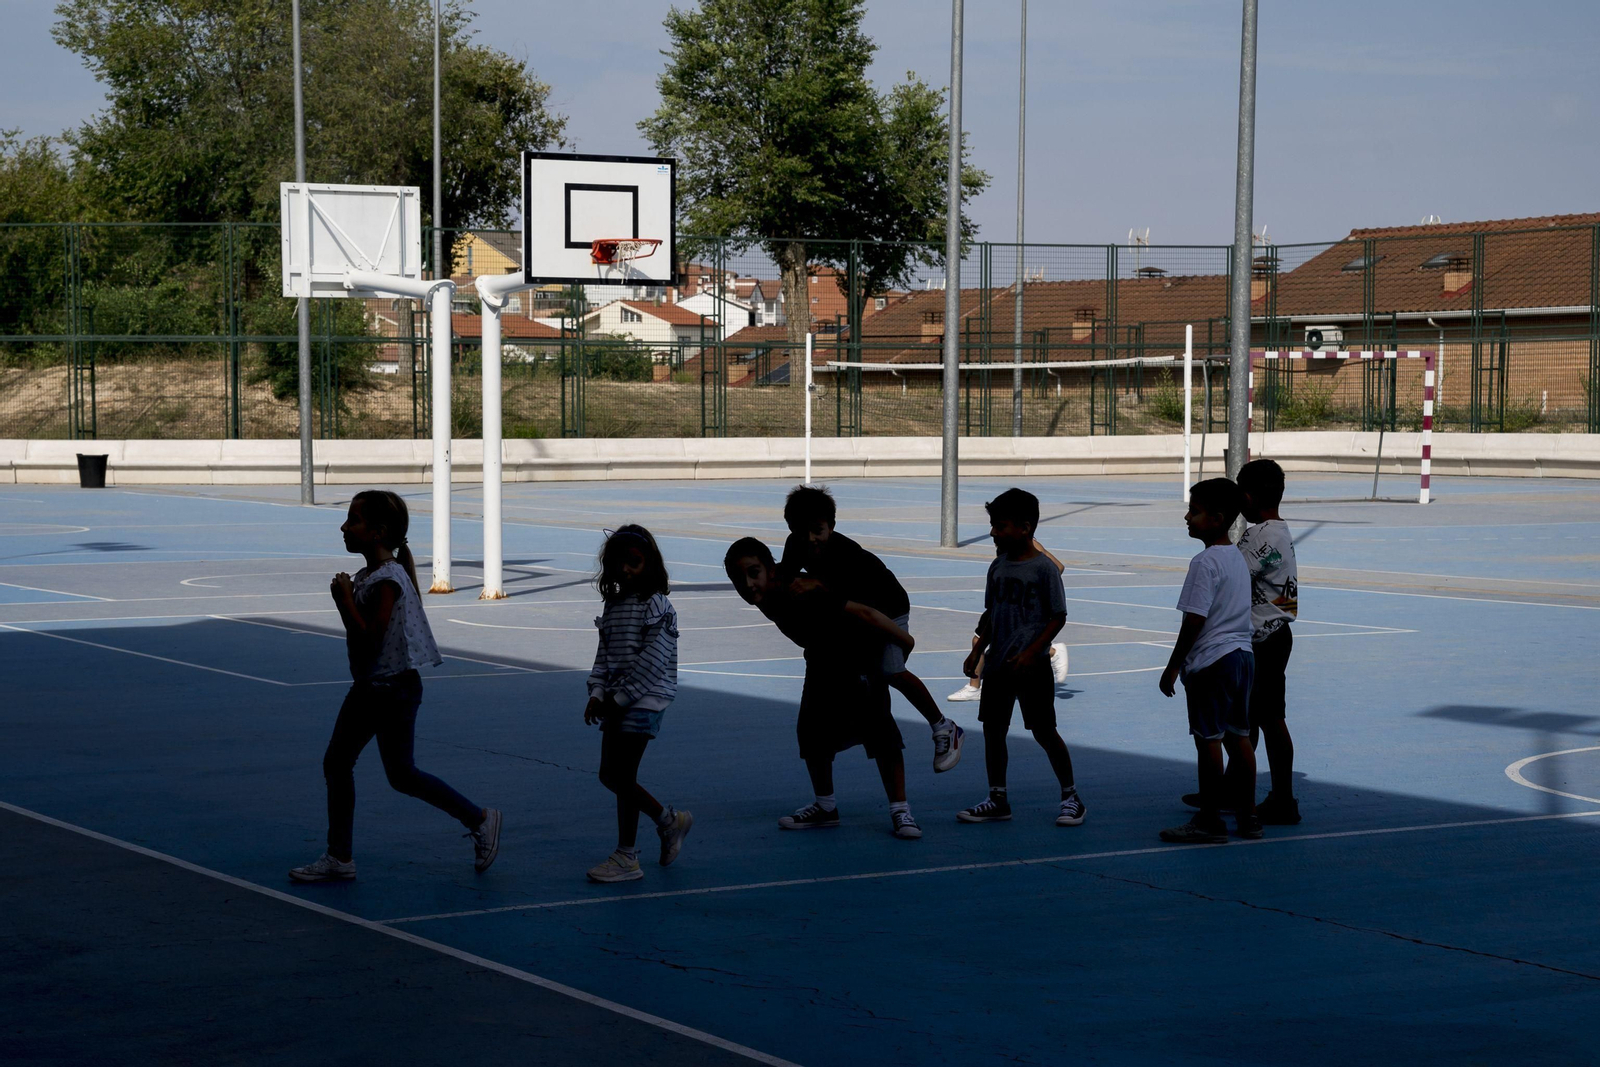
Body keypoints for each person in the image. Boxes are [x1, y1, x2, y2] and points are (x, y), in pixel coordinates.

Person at [290, 490, 501, 882]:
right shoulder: (381, 574)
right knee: (398, 774)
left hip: (384, 689)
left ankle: (341, 856)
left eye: (353, 520)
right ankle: (479, 818)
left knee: (340, 764)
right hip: (387, 686)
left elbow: (371, 639)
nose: (344, 526)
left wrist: (343, 602)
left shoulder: (386, 580)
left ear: (378, 532)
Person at [725, 537, 924, 840]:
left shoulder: (801, 589)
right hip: (821, 659)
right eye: (739, 579)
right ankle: (826, 807)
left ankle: (901, 809)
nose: (748, 583)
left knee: (880, 731)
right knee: (810, 731)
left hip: (856, 654)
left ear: (772, 569)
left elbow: (863, 612)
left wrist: (904, 640)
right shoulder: (764, 597)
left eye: (754, 572)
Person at [779, 486, 964, 772]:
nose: (811, 539)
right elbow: (786, 578)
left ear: (832, 526)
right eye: (803, 532)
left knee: (891, 670)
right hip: (858, 611)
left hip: (887, 607)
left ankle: (944, 727)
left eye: (818, 530)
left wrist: (902, 638)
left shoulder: (845, 554)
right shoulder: (795, 545)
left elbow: (862, 606)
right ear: (791, 529)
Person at [955, 489, 1086, 828]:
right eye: (993, 526)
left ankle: (1071, 796)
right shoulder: (997, 567)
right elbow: (992, 614)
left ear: (1025, 527)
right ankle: (998, 798)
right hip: (998, 664)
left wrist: (1031, 652)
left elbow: (1058, 616)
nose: (994, 533)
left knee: (1044, 731)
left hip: (1032, 666)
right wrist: (976, 650)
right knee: (993, 731)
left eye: (1000, 526)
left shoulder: (1044, 570)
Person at [583, 525, 693, 884]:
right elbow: (604, 656)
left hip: (644, 701)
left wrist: (617, 700)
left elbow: (652, 663)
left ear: (649, 563)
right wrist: (597, 693)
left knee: (619, 776)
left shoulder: (657, 605)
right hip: (618, 700)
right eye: (619, 563)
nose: (626, 570)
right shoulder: (614, 605)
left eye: (634, 562)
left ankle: (638, 847)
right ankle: (652, 835)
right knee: (611, 776)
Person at [1158, 478, 1260, 845]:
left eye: (1194, 511)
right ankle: (1249, 818)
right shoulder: (1236, 558)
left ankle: (1210, 820)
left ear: (1217, 519)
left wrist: (1173, 665)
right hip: (1242, 657)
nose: (1187, 517)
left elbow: (1195, 619)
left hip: (1213, 662)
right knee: (1240, 738)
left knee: (1209, 741)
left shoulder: (1204, 562)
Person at [1235, 459, 1300, 825]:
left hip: (1267, 637)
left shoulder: (1265, 536)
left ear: (1249, 496)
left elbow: (1233, 572)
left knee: (1270, 719)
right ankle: (1236, 786)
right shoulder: (1268, 531)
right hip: (1267, 635)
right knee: (1249, 718)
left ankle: (1282, 799)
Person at [948, 539, 1069, 702]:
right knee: (982, 640)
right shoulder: (1012, 543)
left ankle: (1052, 651)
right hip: (1003, 599)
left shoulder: (1030, 544)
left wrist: (1027, 586)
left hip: (1012, 602)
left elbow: (1057, 568)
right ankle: (974, 686)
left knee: (981, 640)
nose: (993, 531)